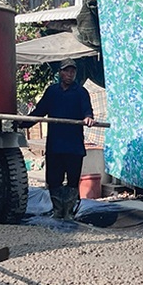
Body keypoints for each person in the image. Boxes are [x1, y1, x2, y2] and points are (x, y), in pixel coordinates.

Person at [25, 59, 95, 220]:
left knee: (72, 181)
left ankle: (69, 212)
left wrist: (88, 117)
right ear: (60, 73)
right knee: (54, 180)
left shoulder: (80, 92)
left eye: (72, 71)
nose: (70, 74)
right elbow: (40, 110)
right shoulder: (52, 92)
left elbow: (87, 110)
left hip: (74, 146)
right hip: (55, 145)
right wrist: (24, 122)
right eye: (67, 71)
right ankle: (58, 211)